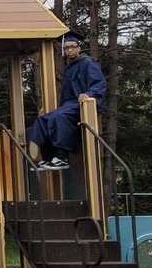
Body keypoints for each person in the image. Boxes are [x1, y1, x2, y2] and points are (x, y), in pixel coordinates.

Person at [30, 30, 108, 170]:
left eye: (72, 47)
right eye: (66, 48)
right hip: (69, 105)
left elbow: (99, 83)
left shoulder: (88, 63)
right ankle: (48, 158)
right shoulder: (69, 68)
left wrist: (88, 94)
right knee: (44, 119)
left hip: (82, 105)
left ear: (78, 48)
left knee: (59, 116)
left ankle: (62, 158)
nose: (70, 50)